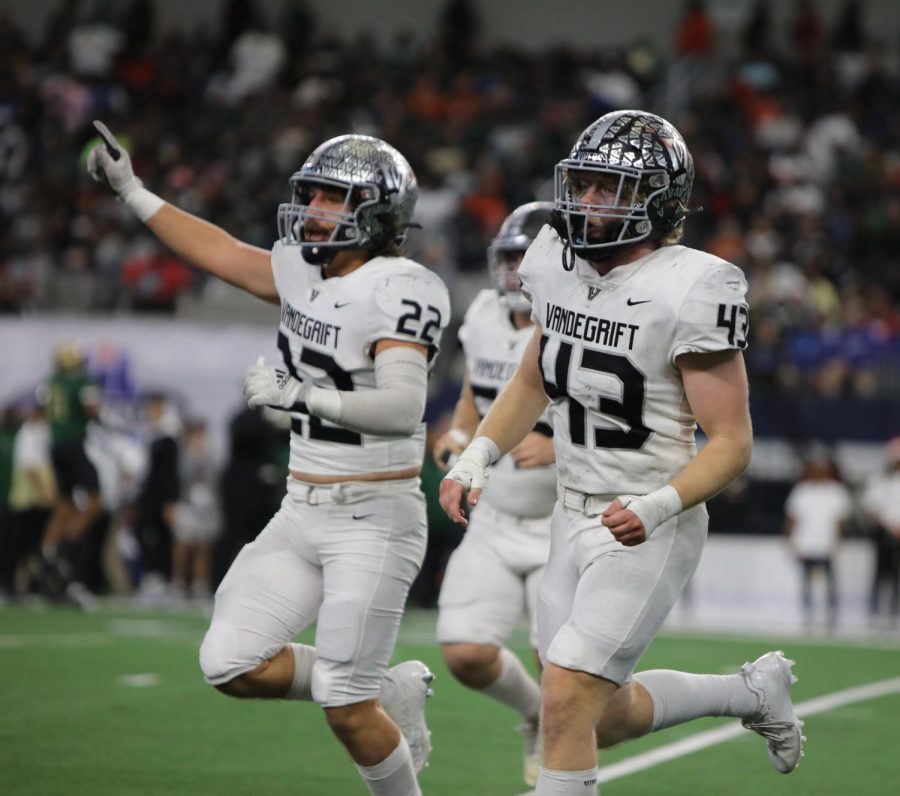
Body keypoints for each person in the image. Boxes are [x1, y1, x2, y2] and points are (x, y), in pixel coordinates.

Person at [440, 110, 804, 795]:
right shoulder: (552, 258)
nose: (588, 203)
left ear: (660, 200)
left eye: (611, 190)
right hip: (568, 514)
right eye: (583, 184)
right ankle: (749, 693)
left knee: (565, 697)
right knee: (596, 715)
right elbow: (531, 380)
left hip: (648, 517)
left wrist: (658, 504)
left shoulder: (695, 285)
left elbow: (731, 443)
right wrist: (477, 454)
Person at [87, 120, 450, 796]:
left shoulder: (403, 286)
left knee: (346, 705)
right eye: (311, 196)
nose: (313, 212)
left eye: (332, 199)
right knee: (230, 662)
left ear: (379, 212)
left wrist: (301, 396)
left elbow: (403, 406)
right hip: (301, 506)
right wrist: (132, 191)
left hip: (374, 516)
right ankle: (390, 690)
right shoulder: (301, 269)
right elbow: (221, 251)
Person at [432, 201, 555, 787]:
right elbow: (472, 398)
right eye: (507, 259)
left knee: (563, 669)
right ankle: (532, 714)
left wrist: (556, 447)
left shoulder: (577, 320)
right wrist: (459, 434)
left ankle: (564, 766)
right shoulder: (481, 312)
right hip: (497, 514)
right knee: (465, 651)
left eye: (524, 260)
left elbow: (622, 422)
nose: (512, 273)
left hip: (564, 519)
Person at [783, 449, 851, 629]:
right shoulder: (802, 491)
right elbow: (793, 519)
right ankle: (807, 615)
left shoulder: (837, 492)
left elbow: (840, 522)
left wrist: (836, 542)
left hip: (825, 544)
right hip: (806, 544)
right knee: (806, 582)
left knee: (830, 582)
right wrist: (789, 539)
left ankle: (832, 616)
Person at [861, 436, 900, 627]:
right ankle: (874, 610)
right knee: (880, 573)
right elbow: (872, 511)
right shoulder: (880, 483)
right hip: (885, 533)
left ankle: (894, 611)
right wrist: (889, 526)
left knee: (897, 575)